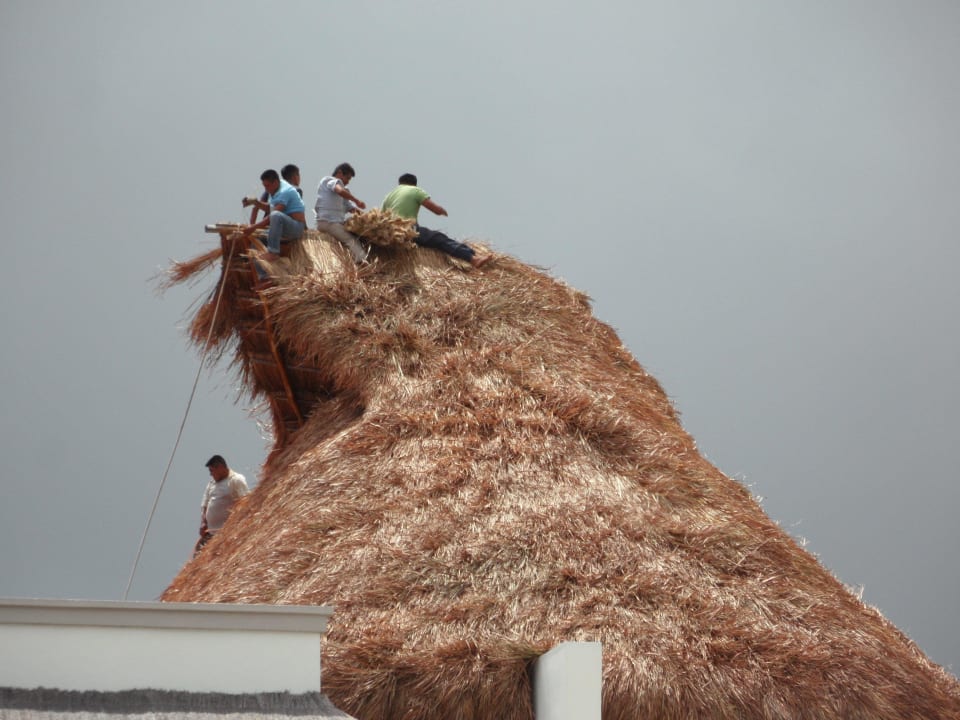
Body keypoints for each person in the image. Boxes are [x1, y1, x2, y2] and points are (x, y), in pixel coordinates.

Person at [381, 173, 491, 268]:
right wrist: (442, 210)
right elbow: (435, 209)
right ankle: (473, 259)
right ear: (414, 184)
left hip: (389, 233)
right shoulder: (415, 190)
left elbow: (380, 218)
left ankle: (473, 255)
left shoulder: (388, 196)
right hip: (407, 230)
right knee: (440, 239)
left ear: (400, 183)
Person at [241, 169, 306, 262]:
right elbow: (271, 208)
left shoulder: (285, 191)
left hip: (296, 228)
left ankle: (273, 252)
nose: (266, 189)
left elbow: (273, 215)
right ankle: (260, 271)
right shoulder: (276, 188)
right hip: (282, 226)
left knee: (275, 215)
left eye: (267, 186)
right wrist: (255, 202)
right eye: (264, 186)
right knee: (259, 238)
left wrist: (253, 228)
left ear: (275, 182)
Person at [314, 162, 368, 262]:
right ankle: (363, 262)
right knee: (351, 240)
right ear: (339, 173)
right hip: (329, 222)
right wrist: (356, 200)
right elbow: (339, 190)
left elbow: (352, 209)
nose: (347, 182)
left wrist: (368, 217)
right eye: (347, 178)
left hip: (328, 222)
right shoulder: (330, 180)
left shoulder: (341, 195)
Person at [195, 455, 249, 555]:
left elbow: (245, 502)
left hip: (227, 532)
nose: (210, 474)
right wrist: (203, 522)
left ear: (220, 467)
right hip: (210, 534)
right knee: (198, 558)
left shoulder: (236, 480)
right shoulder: (211, 484)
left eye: (211, 471)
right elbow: (205, 504)